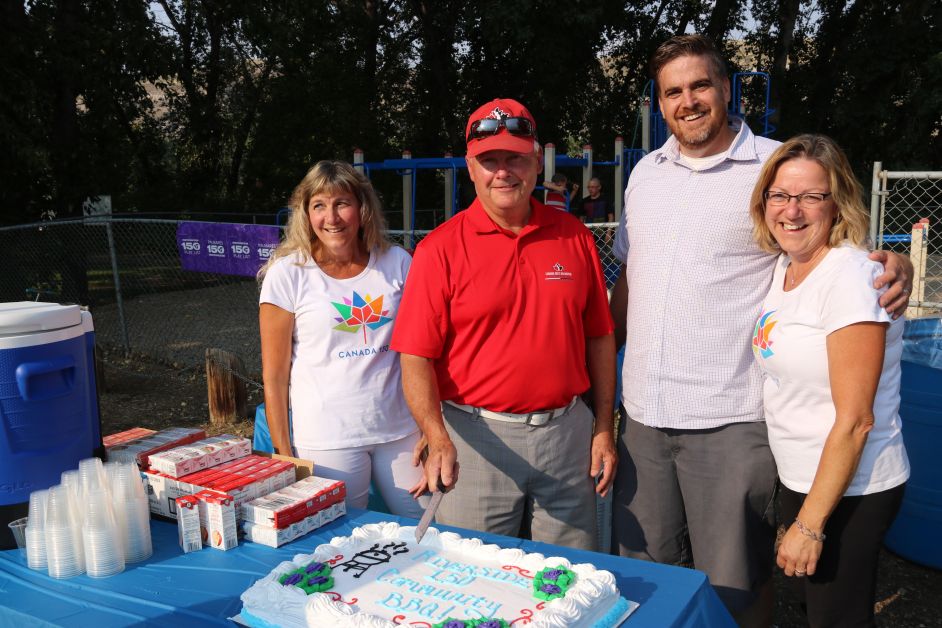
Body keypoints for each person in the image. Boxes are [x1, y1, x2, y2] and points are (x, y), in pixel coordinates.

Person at [608, 34, 913, 625]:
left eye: (700, 85)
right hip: (643, 413)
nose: (688, 100)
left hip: (729, 415)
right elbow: (631, 275)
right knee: (647, 570)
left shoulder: (772, 166)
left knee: (736, 583)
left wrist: (889, 262)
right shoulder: (646, 173)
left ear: (726, 88)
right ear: (660, 102)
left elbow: (829, 238)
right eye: (673, 91)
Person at [390, 98, 617, 551]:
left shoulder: (573, 235)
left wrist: (604, 427)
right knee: (472, 584)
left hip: (566, 434)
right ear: (471, 167)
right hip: (475, 440)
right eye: (490, 160)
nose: (503, 171)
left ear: (535, 161)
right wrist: (436, 436)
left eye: (514, 157)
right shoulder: (440, 249)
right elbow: (415, 356)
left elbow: (600, 338)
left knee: (569, 580)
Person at [749, 134, 909, 626]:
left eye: (810, 197)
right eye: (780, 195)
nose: (792, 211)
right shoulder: (786, 266)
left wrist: (812, 525)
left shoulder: (850, 278)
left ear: (837, 203)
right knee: (813, 602)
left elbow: (857, 419)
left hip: (853, 484)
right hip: (804, 474)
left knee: (835, 616)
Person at [258, 160, 427, 518]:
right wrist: (284, 452)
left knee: (426, 527)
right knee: (339, 540)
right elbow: (274, 375)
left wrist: (432, 425)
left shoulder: (397, 262)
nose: (331, 217)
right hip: (327, 438)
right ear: (305, 213)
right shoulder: (288, 274)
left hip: (401, 431)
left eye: (342, 203)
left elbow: (423, 348)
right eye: (319, 205)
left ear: (362, 208)